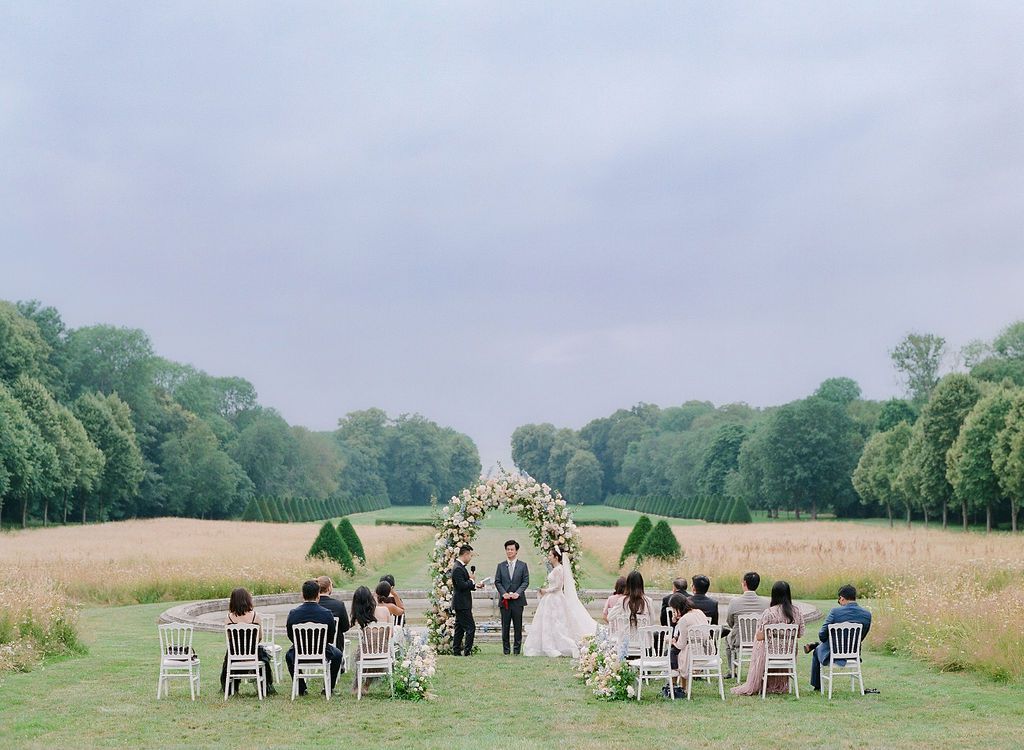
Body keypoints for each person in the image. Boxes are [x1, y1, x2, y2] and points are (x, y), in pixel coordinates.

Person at [731, 580, 804, 697]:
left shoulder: (769, 612)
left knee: (758, 642)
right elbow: (800, 634)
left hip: (770, 653)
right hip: (788, 653)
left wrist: (770, 635)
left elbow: (760, 636)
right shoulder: (797, 612)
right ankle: (777, 683)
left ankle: (760, 681)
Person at [523, 546, 596, 657]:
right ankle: (549, 645)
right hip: (550, 598)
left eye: (550, 555)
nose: (549, 557)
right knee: (548, 623)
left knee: (558, 624)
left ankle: (561, 645)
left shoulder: (559, 569)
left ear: (556, 557)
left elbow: (558, 587)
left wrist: (545, 590)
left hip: (555, 599)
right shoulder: (555, 569)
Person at [807, 584, 872, 692]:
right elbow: (861, 637)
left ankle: (817, 686)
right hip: (854, 653)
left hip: (834, 653)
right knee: (821, 646)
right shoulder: (867, 614)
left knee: (818, 650)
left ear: (842, 598)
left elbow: (822, 635)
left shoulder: (835, 612)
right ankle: (817, 646)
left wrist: (828, 641)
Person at [285, 579, 343, 696]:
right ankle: (328, 688)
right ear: (318, 595)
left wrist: (299, 645)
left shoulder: (293, 613)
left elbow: (291, 635)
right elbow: (331, 637)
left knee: (288, 655)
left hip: (300, 651)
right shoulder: (327, 613)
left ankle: (301, 688)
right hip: (322, 650)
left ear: (302, 594)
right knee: (338, 655)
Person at [220, 587, 275, 695]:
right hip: (252, 653)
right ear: (247, 599)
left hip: (235, 655)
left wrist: (240, 650)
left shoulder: (228, 618)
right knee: (263, 656)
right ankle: (264, 688)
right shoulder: (255, 616)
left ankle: (232, 689)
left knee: (229, 656)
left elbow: (230, 639)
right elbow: (259, 638)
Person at [721, 571, 768, 679]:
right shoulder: (765, 603)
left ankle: (732, 670)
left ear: (744, 583)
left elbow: (730, 622)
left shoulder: (734, 602)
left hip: (739, 640)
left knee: (727, 640)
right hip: (759, 640)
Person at [350, 585, 393, 695]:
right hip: (384, 652)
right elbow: (390, 634)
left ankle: (358, 686)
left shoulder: (359, 617)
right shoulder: (385, 610)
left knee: (360, 652)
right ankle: (366, 685)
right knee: (372, 649)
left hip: (366, 654)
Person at [494, 539, 530, 655]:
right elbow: (497, 581)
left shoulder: (522, 565)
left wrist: (517, 593)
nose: (509, 551)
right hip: (505, 601)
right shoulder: (500, 566)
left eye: (512, 549)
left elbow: (525, 581)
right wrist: (503, 593)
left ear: (516, 551)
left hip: (518, 601)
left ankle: (516, 650)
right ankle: (506, 650)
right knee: (505, 627)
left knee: (517, 626)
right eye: (508, 549)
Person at [669, 592, 709, 693]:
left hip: (692, 654)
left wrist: (673, 641)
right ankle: (682, 686)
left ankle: (674, 685)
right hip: (706, 651)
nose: (673, 612)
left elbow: (681, 644)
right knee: (677, 652)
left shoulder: (684, 619)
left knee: (672, 652)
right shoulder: (699, 612)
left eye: (674, 610)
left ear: (678, 607)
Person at [451, 544, 483, 656]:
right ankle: (467, 651)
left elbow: (466, 585)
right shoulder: (458, 568)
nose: (470, 558)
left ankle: (456, 650)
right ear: (465, 554)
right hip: (462, 603)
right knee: (470, 628)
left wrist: (475, 585)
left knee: (459, 628)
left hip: (462, 603)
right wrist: (472, 581)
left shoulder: (460, 567)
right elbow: (461, 586)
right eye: (470, 556)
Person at [613, 571, 655, 636]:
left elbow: (610, 617)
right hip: (644, 642)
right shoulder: (648, 601)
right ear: (641, 584)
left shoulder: (622, 601)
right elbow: (652, 622)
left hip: (626, 641)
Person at [316, 576, 350, 643]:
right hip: (335, 646)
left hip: (316, 644)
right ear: (329, 588)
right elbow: (345, 627)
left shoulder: (313, 605)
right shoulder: (339, 605)